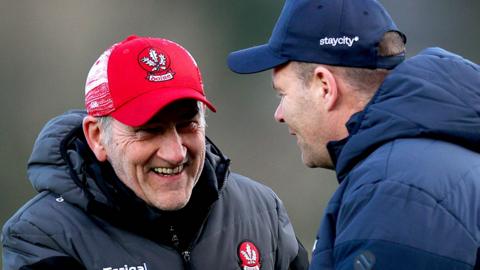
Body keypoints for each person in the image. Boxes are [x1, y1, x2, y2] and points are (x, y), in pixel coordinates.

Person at [2, 35, 308, 270]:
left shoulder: (261, 211)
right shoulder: (44, 235)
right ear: (97, 137)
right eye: (149, 130)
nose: (175, 153)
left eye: (188, 124)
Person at [227, 0, 480, 269]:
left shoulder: (394, 194)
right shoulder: (420, 164)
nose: (279, 113)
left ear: (324, 87)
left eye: (282, 93)